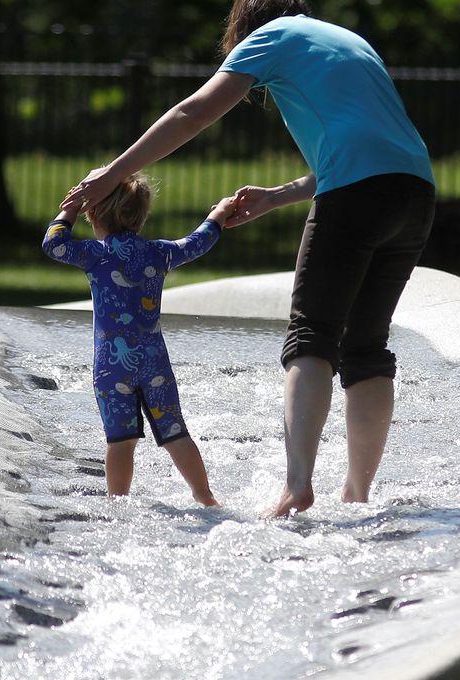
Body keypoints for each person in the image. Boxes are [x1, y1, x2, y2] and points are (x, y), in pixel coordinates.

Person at [61, 0, 436, 517]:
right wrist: (277, 196)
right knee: (367, 346)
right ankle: (356, 494)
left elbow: (193, 113)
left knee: (312, 336)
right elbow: (368, 157)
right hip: (416, 194)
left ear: (244, 28)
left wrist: (112, 174)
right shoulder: (349, 43)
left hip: (356, 196)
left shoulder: (271, 36)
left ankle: (297, 488)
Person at [43, 173, 236, 506]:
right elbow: (197, 242)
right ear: (142, 215)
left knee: (120, 441)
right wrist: (218, 214)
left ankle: (118, 505)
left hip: (111, 367)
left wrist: (70, 209)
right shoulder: (157, 253)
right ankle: (206, 498)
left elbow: (53, 244)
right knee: (175, 432)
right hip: (154, 362)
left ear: (93, 214)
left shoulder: (95, 254)